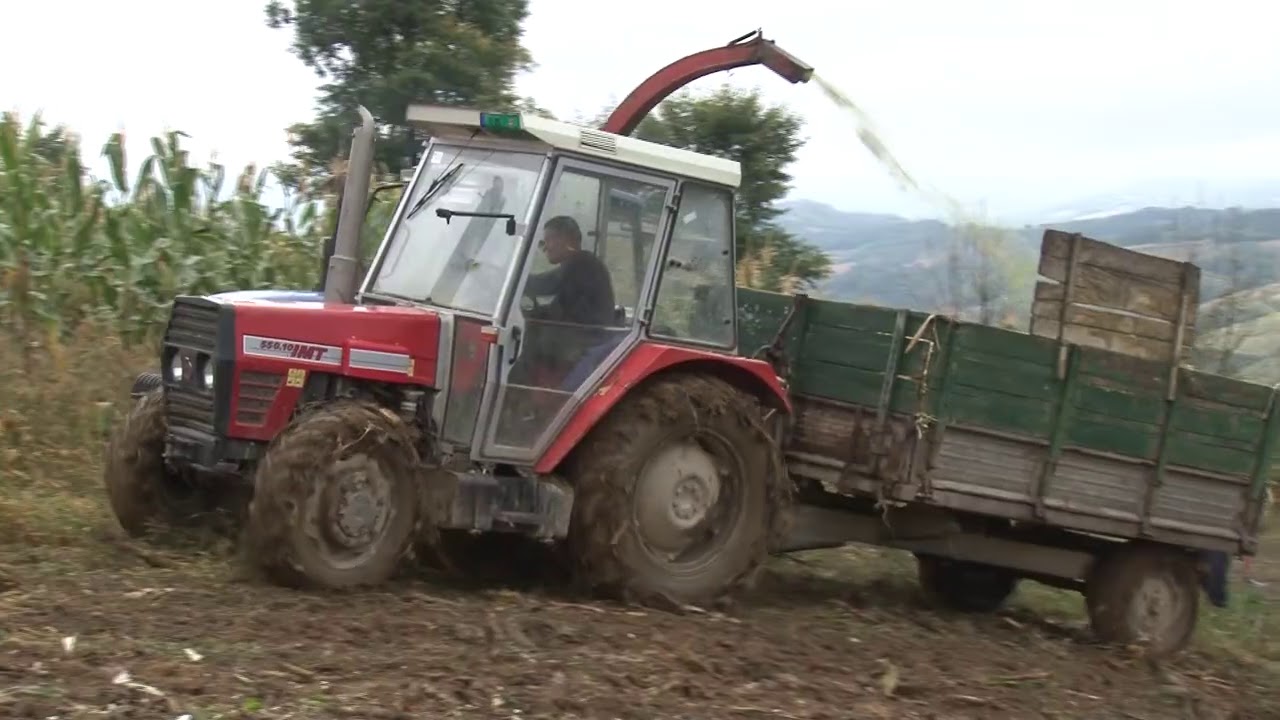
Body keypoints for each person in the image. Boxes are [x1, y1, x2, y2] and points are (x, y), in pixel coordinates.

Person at [524, 215, 615, 327]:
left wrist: (515, 280)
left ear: (566, 240)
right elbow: (558, 308)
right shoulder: (579, 266)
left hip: (587, 339)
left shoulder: (583, 264)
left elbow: (542, 284)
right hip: (578, 334)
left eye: (548, 240)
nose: (545, 247)